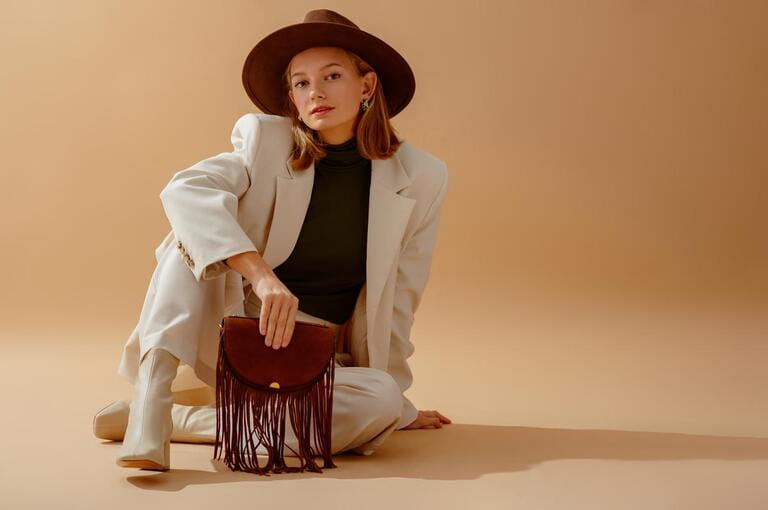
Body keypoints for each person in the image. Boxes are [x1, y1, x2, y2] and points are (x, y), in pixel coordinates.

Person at [93, 8, 451, 472]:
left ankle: (186, 421)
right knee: (188, 240)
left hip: (313, 353)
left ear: (366, 86)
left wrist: (397, 409)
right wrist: (260, 275)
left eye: (332, 76)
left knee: (380, 401)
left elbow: (400, 296)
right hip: (234, 328)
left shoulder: (422, 177)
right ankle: (150, 400)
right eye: (301, 83)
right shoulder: (265, 140)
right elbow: (186, 190)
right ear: (292, 97)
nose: (315, 92)